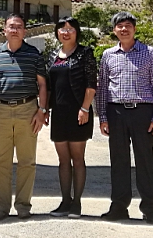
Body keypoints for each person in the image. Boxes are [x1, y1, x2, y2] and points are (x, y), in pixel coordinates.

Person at [96, 11, 153, 224]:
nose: (124, 29)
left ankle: (149, 208)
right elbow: (103, 88)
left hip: (143, 111)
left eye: (128, 25)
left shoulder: (149, 53)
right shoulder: (108, 55)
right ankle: (119, 206)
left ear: (134, 29)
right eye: (120, 26)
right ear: (114, 30)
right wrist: (102, 116)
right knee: (119, 161)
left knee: (145, 160)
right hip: (116, 112)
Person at [0, 13, 48, 221]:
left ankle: (23, 205)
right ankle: (1, 207)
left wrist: (42, 110)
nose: (14, 30)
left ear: (24, 31)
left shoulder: (34, 54)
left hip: (27, 110)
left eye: (19, 26)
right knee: (1, 161)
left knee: (27, 161)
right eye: (11, 26)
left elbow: (42, 84)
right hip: (1, 110)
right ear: (4, 30)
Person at [47, 16, 97, 219]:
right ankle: (65, 201)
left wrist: (85, 108)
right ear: (57, 32)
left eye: (70, 29)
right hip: (58, 113)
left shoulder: (85, 53)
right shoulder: (52, 55)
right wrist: (44, 109)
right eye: (62, 29)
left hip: (79, 112)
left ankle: (77, 203)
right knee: (63, 160)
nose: (66, 32)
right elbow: (48, 86)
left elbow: (91, 84)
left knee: (77, 158)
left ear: (77, 32)